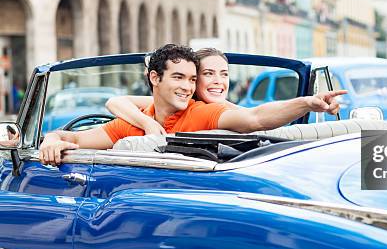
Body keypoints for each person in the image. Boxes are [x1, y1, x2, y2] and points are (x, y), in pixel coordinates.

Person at [39, 44, 345, 165]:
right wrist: (52, 139)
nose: (187, 87)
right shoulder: (133, 121)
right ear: (154, 78)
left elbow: (254, 119)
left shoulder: (205, 112)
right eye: (180, 78)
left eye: (191, 79)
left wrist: (307, 102)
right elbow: (75, 138)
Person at [106, 48, 237, 135]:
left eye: (224, 74)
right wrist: (147, 123)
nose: (218, 81)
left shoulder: (226, 110)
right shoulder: (177, 105)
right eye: (208, 73)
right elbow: (115, 102)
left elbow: (252, 118)